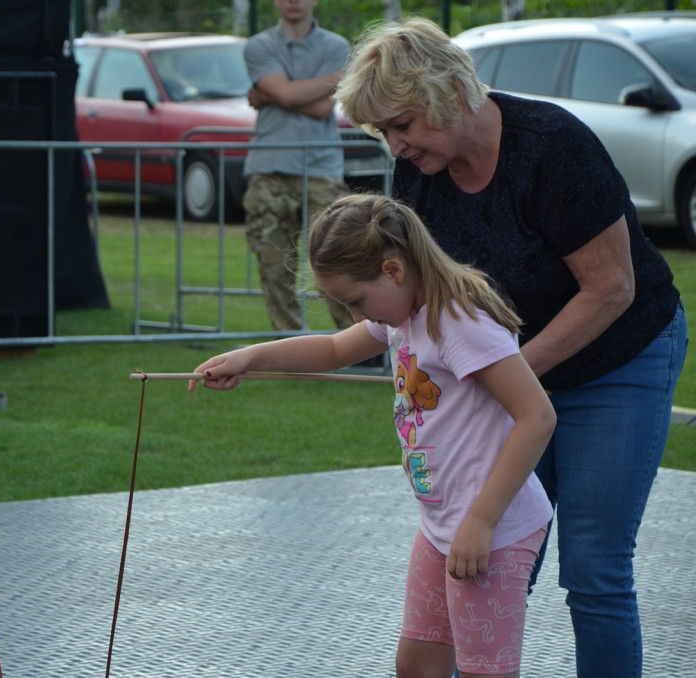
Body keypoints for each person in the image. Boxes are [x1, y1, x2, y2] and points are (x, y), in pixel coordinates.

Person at [335, 17, 688, 678]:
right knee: (489, 554)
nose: (395, 146)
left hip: (620, 358)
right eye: (382, 131)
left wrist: (508, 377)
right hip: (511, 367)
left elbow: (612, 288)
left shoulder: (551, 146)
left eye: (402, 124)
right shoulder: (419, 180)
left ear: (445, 90)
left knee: (593, 566)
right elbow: (418, 300)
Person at [191, 193, 556, 678]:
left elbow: (537, 417)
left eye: (356, 301)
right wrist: (252, 356)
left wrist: (482, 522)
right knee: (418, 662)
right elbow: (332, 349)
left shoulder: (459, 321)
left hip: (493, 529)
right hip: (441, 523)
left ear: (393, 270)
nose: (354, 315)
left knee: (484, 671)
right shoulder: (403, 316)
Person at [242, 0, 352, 331]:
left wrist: (268, 93)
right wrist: (332, 79)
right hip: (270, 167)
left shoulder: (337, 45)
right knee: (274, 263)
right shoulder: (259, 45)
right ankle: (288, 345)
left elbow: (322, 109)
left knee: (336, 259)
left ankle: (358, 343)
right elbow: (292, 97)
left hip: (321, 168)